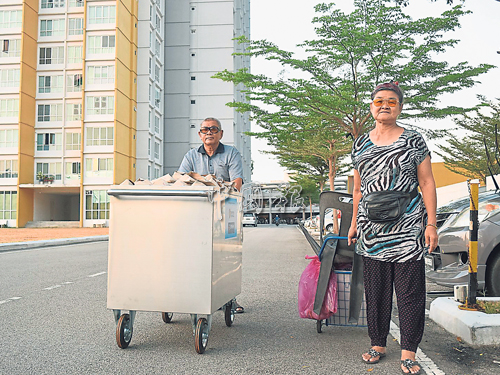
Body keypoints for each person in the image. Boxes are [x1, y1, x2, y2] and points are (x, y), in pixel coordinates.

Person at [347, 81, 438, 375]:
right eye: (379, 101)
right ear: (371, 106)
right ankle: (378, 344)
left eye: (391, 102)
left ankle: (409, 351)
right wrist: (353, 224)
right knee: (375, 290)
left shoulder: (413, 140)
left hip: (408, 227)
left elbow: (427, 182)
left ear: (400, 107)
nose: (384, 105)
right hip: (371, 230)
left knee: (410, 292)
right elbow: (358, 189)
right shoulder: (360, 143)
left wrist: (431, 224)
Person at [178, 117, 245, 313]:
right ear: (200, 134)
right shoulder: (191, 156)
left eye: (214, 129)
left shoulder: (231, 153)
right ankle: (196, 294)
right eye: (205, 129)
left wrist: (223, 202)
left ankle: (230, 298)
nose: (209, 132)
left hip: (228, 208)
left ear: (221, 134)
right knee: (196, 252)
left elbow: (237, 182)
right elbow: (181, 180)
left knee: (228, 253)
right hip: (199, 211)